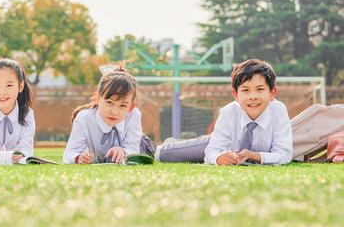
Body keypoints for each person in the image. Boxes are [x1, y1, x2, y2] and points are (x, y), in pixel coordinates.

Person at [156, 59, 293, 165]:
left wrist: (255, 156)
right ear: (235, 94)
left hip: (241, 150)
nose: (253, 96)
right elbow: (211, 152)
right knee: (165, 154)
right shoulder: (228, 112)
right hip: (221, 144)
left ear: (272, 93)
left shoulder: (279, 111)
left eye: (260, 89)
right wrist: (219, 158)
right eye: (245, 90)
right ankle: (152, 145)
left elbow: (284, 155)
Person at [63, 64, 145, 164]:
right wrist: (77, 158)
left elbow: (134, 150)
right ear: (97, 98)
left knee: (163, 153)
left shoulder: (134, 115)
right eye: (109, 102)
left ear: (131, 107)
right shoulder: (84, 119)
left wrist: (123, 151)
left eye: (123, 106)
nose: (114, 112)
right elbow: (69, 154)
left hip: (144, 146)